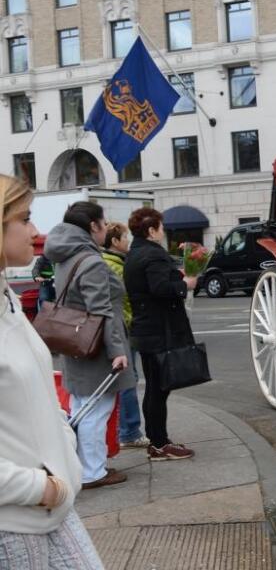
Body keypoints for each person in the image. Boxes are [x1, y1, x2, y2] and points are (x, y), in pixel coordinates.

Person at [0, 175, 104, 568]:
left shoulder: (7, 299)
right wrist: (42, 487)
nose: (35, 230)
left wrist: (64, 460)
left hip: (49, 507)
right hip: (15, 519)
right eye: (24, 219)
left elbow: (38, 397)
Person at [43, 202, 134, 490]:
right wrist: (117, 350)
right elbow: (102, 310)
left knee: (82, 406)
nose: (107, 228)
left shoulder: (64, 255)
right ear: (93, 226)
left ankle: (82, 466)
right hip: (96, 345)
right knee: (97, 410)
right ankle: (93, 471)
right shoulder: (91, 261)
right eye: (103, 223)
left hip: (74, 340)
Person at [124, 208, 196, 462]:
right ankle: (159, 443)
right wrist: (184, 284)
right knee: (158, 389)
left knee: (157, 387)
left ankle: (158, 440)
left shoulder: (135, 253)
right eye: (161, 227)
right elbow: (160, 288)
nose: (164, 232)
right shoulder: (152, 255)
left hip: (147, 330)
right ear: (151, 230)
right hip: (158, 331)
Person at [103, 222, 149, 450]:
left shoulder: (108, 262)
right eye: (125, 237)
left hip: (117, 328)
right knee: (129, 380)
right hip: (124, 329)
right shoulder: (117, 266)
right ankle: (130, 431)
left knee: (124, 380)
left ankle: (124, 430)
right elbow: (126, 300)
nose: (128, 241)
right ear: (114, 241)